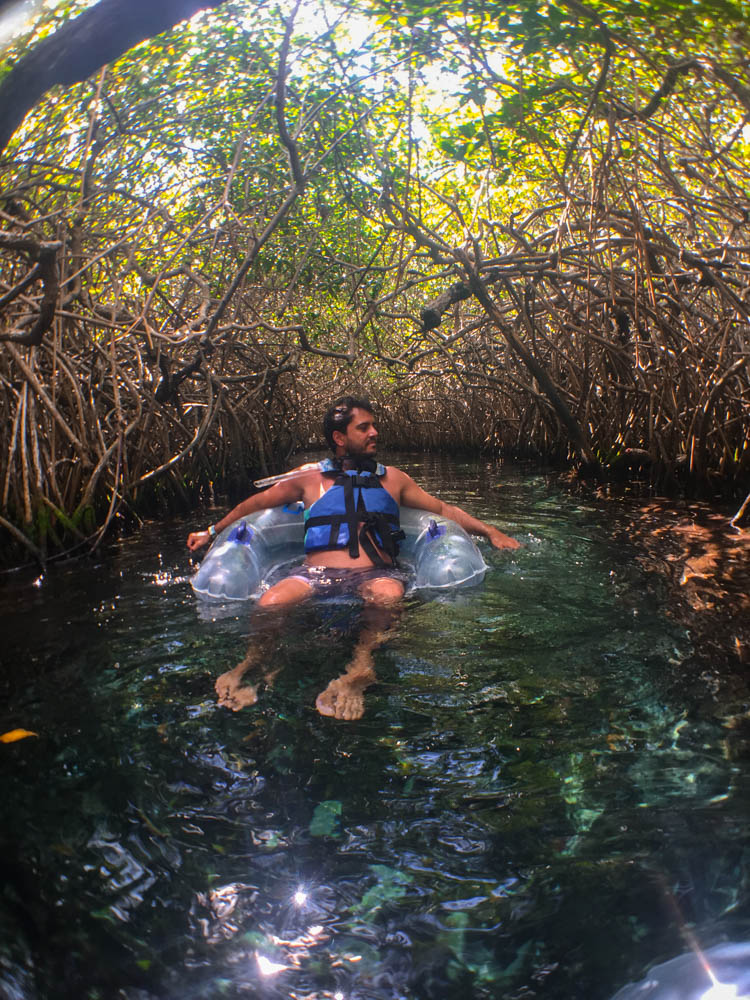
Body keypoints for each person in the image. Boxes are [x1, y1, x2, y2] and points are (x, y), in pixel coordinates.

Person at [187, 396, 520, 720]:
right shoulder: (308, 477)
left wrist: (490, 531)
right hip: (315, 575)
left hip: (375, 575)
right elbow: (255, 504)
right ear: (339, 437)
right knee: (271, 602)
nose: (374, 433)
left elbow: (443, 509)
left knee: (388, 595)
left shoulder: (394, 479)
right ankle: (254, 662)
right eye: (364, 428)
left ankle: (362, 666)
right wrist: (211, 531)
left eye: (373, 426)